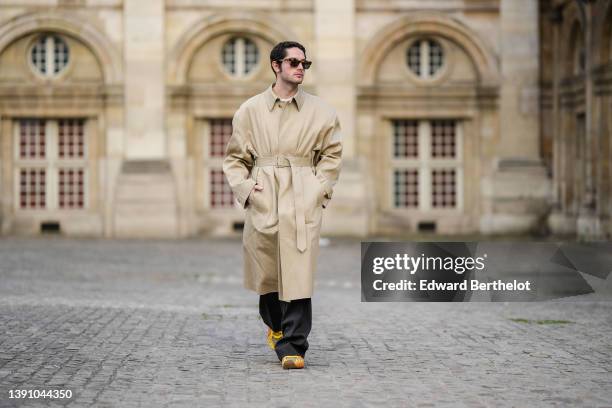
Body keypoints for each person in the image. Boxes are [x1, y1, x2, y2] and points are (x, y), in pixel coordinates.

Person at [222, 41, 343, 369]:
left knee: (299, 269)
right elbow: (234, 159)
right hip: (265, 193)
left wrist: (320, 189)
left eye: (305, 63)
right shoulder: (250, 110)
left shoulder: (323, 112)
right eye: (293, 62)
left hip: (303, 192)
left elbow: (332, 155)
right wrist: (247, 190)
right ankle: (275, 327)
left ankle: (294, 345)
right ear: (276, 65)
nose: (300, 67)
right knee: (268, 271)